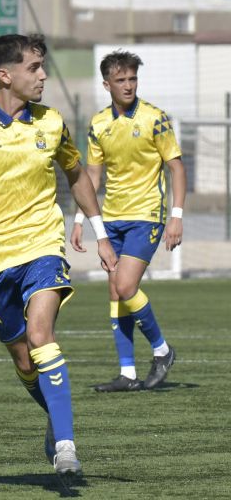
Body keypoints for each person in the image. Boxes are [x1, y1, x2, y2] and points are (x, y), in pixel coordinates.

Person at [0, 34, 117, 479]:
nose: (43, 75)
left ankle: (66, 446)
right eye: (34, 67)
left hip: (42, 246)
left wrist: (101, 234)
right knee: (23, 359)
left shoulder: (51, 122)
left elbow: (76, 175)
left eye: (42, 66)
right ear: (4, 75)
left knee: (40, 333)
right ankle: (55, 411)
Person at [71, 50, 186, 392]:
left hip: (146, 216)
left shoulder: (155, 118)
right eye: (120, 80)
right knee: (115, 292)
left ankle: (163, 351)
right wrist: (79, 218)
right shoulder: (98, 124)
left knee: (125, 287)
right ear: (106, 84)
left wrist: (176, 217)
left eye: (132, 79)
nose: (128, 85)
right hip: (112, 219)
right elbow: (92, 175)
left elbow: (177, 167)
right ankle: (128, 374)